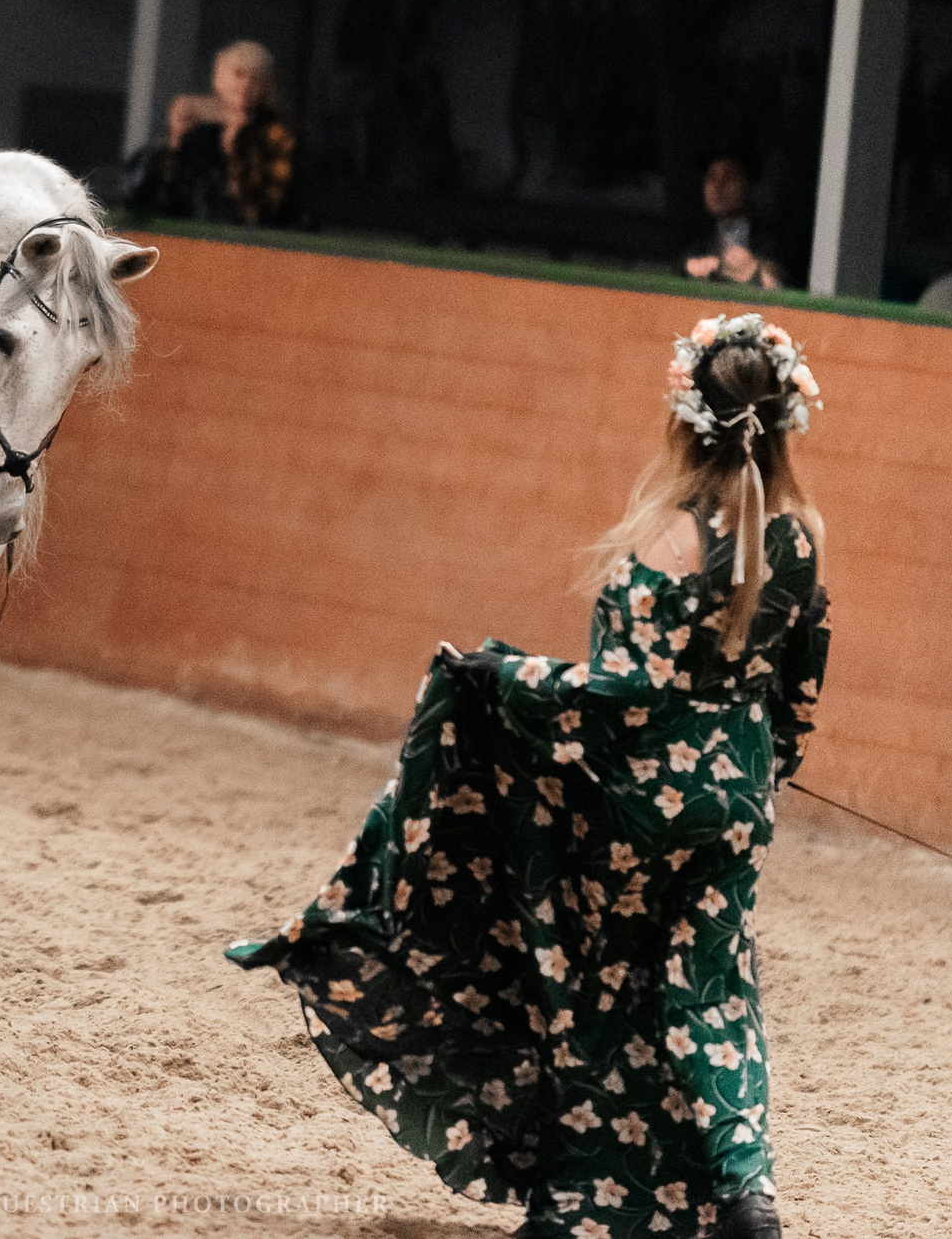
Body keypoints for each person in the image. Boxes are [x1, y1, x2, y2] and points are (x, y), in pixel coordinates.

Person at [230, 313, 829, 1239]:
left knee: (597, 986)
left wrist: (500, 676)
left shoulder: (666, 537)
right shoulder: (801, 535)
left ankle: (580, 1202)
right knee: (712, 987)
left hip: (636, 804)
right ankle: (744, 1188)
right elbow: (798, 686)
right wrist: (754, 769)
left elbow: (623, 695)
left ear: (684, 421)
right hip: (737, 801)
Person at [124, 40, 299, 226]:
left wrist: (238, 146)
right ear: (219, 79)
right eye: (239, 74)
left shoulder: (276, 136)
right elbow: (154, 198)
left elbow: (266, 208)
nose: (246, 84)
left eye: (255, 79)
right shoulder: (201, 134)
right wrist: (175, 141)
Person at [681, 151, 782, 289]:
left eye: (729, 177)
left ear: (752, 188)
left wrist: (756, 270)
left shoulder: (771, 235)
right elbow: (681, 264)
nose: (718, 186)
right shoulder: (697, 233)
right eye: (712, 177)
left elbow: (783, 279)